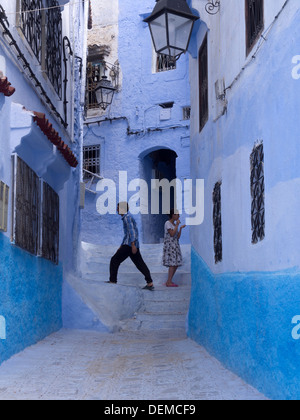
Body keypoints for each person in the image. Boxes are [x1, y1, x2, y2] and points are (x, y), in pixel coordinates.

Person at [107, 202, 155, 291]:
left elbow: (132, 232)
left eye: (118, 208)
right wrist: (121, 245)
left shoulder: (127, 217)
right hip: (129, 244)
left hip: (129, 245)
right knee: (140, 263)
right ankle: (150, 282)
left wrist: (133, 245)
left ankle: (113, 281)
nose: (117, 210)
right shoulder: (126, 217)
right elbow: (127, 234)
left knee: (114, 260)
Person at [163, 209, 186, 287]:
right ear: (173, 215)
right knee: (172, 264)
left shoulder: (173, 224)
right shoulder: (168, 223)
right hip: (170, 246)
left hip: (175, 245)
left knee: (175, 264)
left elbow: (177, 237)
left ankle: (169, 281)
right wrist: (177, 225)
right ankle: (169, 282)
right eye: (177, 214)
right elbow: (172, 234)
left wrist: (180, 228)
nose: (179, 216)